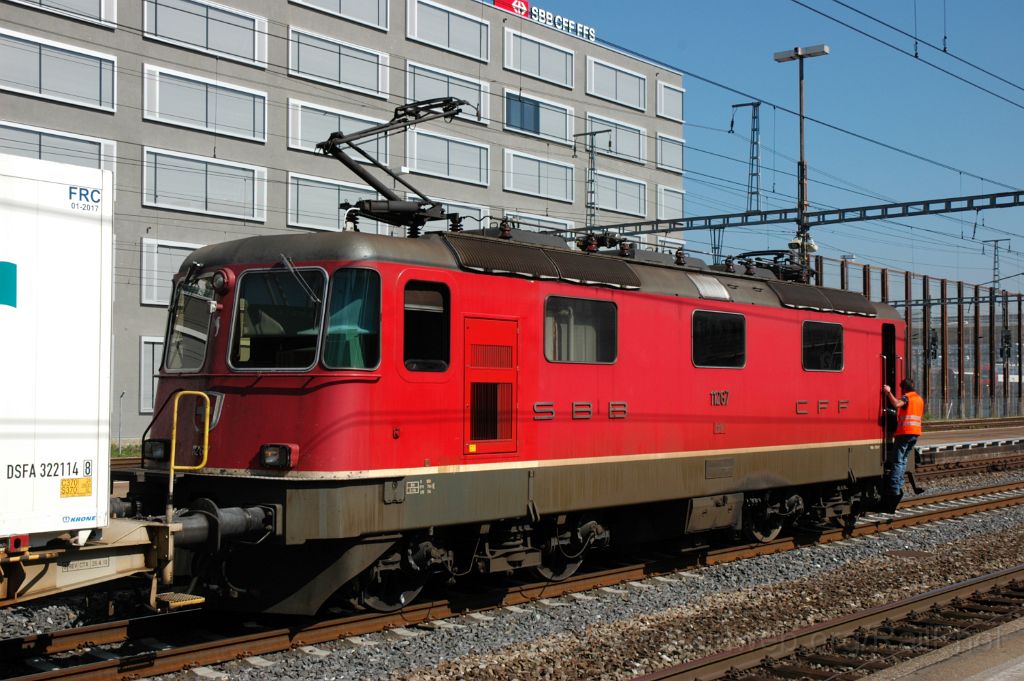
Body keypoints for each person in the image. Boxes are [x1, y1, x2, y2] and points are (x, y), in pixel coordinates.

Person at [881, 378, 924, 512]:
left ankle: (894, 488)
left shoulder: (907, 397)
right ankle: (899, 484)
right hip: (915, 433)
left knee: (898, 461)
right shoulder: (919, 399)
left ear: (904, 388)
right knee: (903, 460)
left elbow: (896, 404)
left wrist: (888, 392)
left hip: (905, 433)